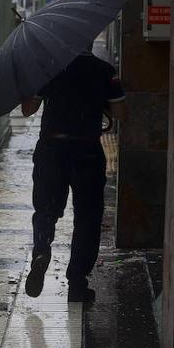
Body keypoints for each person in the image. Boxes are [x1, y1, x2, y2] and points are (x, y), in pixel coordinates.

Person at [21, 44, 127, 302]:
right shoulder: (105, 71)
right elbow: (122, 113)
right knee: (87, 218)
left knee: (46, 209)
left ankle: (41, 251)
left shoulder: (48, 68)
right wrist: (97, 103)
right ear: (90, 42)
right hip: (87, 152)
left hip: (51, 150)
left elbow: (27, 109)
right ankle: (77, 283)